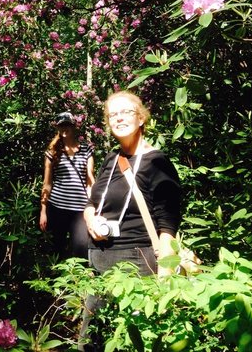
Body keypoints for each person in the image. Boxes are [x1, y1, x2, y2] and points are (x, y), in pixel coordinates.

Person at [78, 91, 181, 350]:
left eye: (126, 112)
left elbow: (168, 227)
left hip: (137, 265)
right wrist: (91, 220)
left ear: (141, 118)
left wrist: (164, 284)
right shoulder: (112, 159)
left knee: (130, 342)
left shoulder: (156, 162)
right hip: (99, 266)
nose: (119, 118)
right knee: (92, 343)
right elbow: (92, 203)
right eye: (113, 114)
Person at [40, 112, 95, 259]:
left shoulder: (86, 149)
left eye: (67, 125)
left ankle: (79, 281)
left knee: (81, 249)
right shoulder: (52, 152)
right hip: (57, 207)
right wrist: (43, 210)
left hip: (80, 209)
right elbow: (47, 183)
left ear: (73, 126)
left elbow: (90, 180)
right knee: (56, 249)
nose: (64, 128)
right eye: (61, 126)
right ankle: (54, 279)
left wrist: (93, 206)